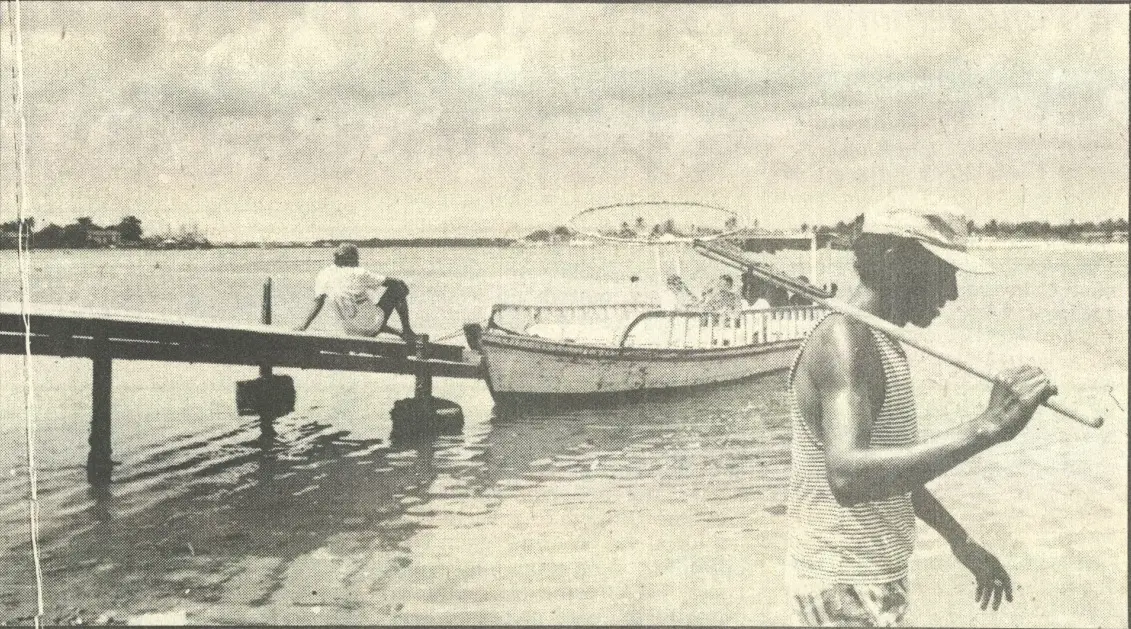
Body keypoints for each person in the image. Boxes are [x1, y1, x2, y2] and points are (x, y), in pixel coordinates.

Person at [786, 205, 1056, 626]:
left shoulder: (880, 341)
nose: (953, 293)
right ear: (895, 261)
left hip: (870, 579)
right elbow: (849, 478)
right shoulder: (844, 338)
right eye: (944, 273)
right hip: (845, 583)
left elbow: (893, 476)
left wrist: (960, 540)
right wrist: (989, 427)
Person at [296, 243, 416, 341]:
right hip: (370, 326)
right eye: (356, 258)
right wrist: (403, 291)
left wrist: (303, 326)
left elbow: (318, 302)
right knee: (397, 288)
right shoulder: (359, 273)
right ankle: (407, 330)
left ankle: (400, 333)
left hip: (350, 331)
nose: (358, 261)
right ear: (351, 258)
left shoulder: (324, 274)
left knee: (364, 315)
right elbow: (396, 283)